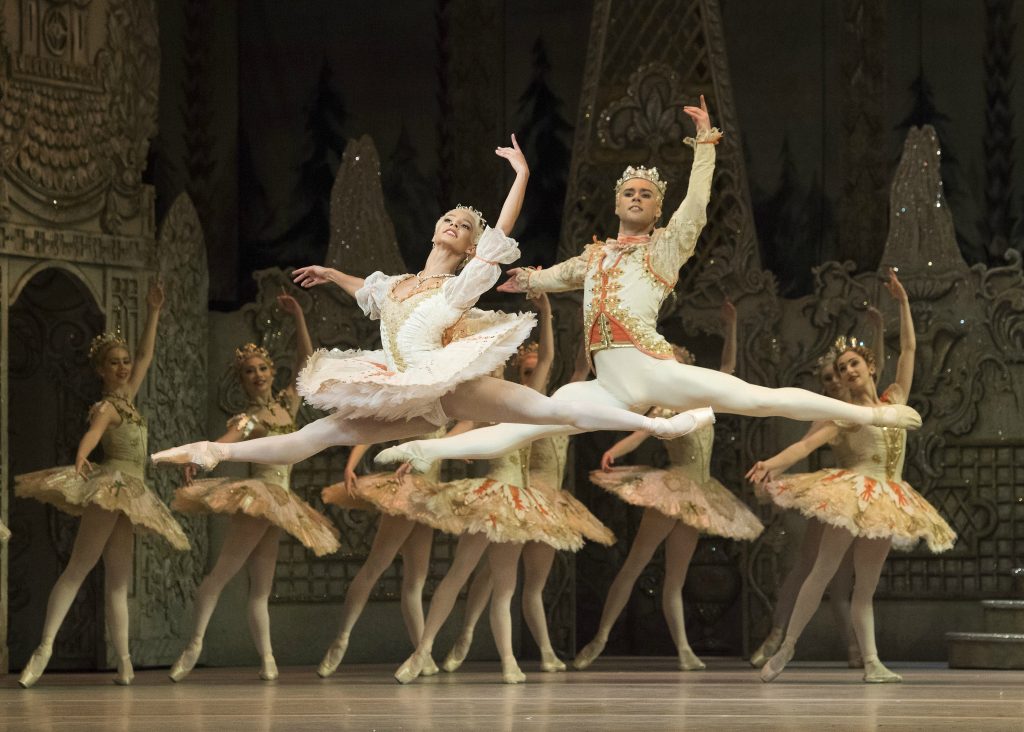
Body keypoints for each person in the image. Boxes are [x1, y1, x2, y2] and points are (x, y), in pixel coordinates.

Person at [373, 96, 920, 474]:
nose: (635, 198)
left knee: (758, 400)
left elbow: (698, 206)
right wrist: (521, 279)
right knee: (534, 422)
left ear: (657, 209)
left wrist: (704, 144)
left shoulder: (666, 246)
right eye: (628, 192)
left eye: (645, 195)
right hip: (608, 384)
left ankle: (873, 413)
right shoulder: (594, 255)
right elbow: (548, 276)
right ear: (616, 203)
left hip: (652, 368)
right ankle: (428, 451)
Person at [152, 136, 710, 475]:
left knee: (550, 411)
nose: (453, 223)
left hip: (446, 384)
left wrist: (521, 176)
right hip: (400, 390)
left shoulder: (459, 286)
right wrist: (329, 273)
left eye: (465, 226)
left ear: (471, 246)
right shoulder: (394, 285)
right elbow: (365, 291)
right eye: (450, 218)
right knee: (314, 439)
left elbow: (504, 229)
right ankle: (214, 453)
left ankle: (661, 429)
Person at [748, 270, 956, 683]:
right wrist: (774, 462)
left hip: (889, 497)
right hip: (854, 492)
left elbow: (911, 348)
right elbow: (806, 446)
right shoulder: (844, 415)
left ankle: (873, 662)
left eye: (853, 363)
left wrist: (903, 303)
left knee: (866, 586)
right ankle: (787, 647)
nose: (848, 371)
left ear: (870, 366)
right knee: (823, 571)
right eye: (842, 368)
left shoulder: (894, 398)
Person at [15, 282, 189, 688]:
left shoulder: (128, 397)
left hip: (132, 492)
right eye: (115, 363)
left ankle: (125, 662)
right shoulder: (109, 406)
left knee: (119, 579)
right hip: (111, 486)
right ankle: (44, 650)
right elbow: (94, 433)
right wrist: (81, 455)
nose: (124, 367)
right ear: (101, 370)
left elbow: (147, 354)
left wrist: (155, 312)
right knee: (79, 567)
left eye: (125, 361)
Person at [577, 302, 763, 671]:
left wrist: (732, 326)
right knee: (635, 564)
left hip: (700, 493)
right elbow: (637, 432)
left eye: (674, 359)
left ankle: (683, 650)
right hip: (673, 487)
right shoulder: (661, 407)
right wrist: (615, 449)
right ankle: (600, 638)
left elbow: (728, 370)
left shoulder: (704, 398)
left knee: (676, 578)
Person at [167, 294, 340, 682]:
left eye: (262, 368)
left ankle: (268, 663)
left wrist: (298, 316)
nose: (258, 375)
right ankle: (193, 646)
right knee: (221, 575)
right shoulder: (249, 418)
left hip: (280, 501)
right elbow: (224, 442)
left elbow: (306, 364)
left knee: (261, 587)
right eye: (249, 371)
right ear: (242, 380)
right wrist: (198, 457)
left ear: (272, 372)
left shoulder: (286, 406)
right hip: (259, 497)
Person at [440, 296, 615, 676]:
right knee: (486, 575)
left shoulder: (559, 408)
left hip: (542, 505)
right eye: (524, 371)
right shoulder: (509, 406)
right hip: (517, 493)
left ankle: (539, 651)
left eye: (532, 372)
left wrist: (562, 318)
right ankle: (464, 636)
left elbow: (572, 371)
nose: (530, 376)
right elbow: (467, 425)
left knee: (520, 581)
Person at [749, 307, 885, 669]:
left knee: (848, 583)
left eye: (838, 373)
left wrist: (882, 328)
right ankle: (781, 637)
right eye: (829, 376)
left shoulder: (869, 402)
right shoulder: (832, 412)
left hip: (873, 494)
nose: (833, 381)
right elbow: (805, 445)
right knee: (816, 569)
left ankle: (858, 652)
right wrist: (775, 466)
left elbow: (885, 372)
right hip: (836, 494)